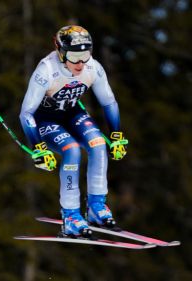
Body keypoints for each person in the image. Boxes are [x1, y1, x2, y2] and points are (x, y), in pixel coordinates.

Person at [19, 25, 128, 238]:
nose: (80, 62)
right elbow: (26, 113)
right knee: (73, 151)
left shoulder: (92, 67)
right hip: (45, 120)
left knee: (99, 144)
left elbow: (109, 102)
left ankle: (96, 207)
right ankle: (70, 217)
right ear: (60, 51)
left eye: (85, 54)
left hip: (71, 115)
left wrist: (116, 134)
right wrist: (38, 148)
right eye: (74, 55)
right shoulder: (46, 70)